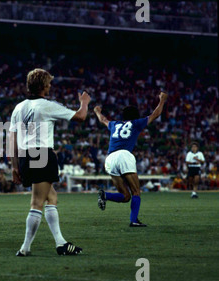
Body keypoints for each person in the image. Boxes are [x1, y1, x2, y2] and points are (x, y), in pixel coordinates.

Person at [9, 68, 91, 256]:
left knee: (51, 197)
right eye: (49, 83)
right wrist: (84, 103)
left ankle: (60, 243)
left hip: (24, 156)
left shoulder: (18, 108)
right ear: (43, 85)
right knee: (37, 202)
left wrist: (15, 166)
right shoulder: (47, 105)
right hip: (42, 154)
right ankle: (25, 248)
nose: (50, 86)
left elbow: (12, 139)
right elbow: (80, 116)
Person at [94, 91, 168, 227]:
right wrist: (162, 100)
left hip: (109, 158)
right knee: (136, 191)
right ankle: (134, 221)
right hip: (124, 155)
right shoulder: (136, 123)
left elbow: (103, 120)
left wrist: (97, 111)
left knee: (126, 196)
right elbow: (155, 114)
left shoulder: (114, 124)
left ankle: (105, 195)